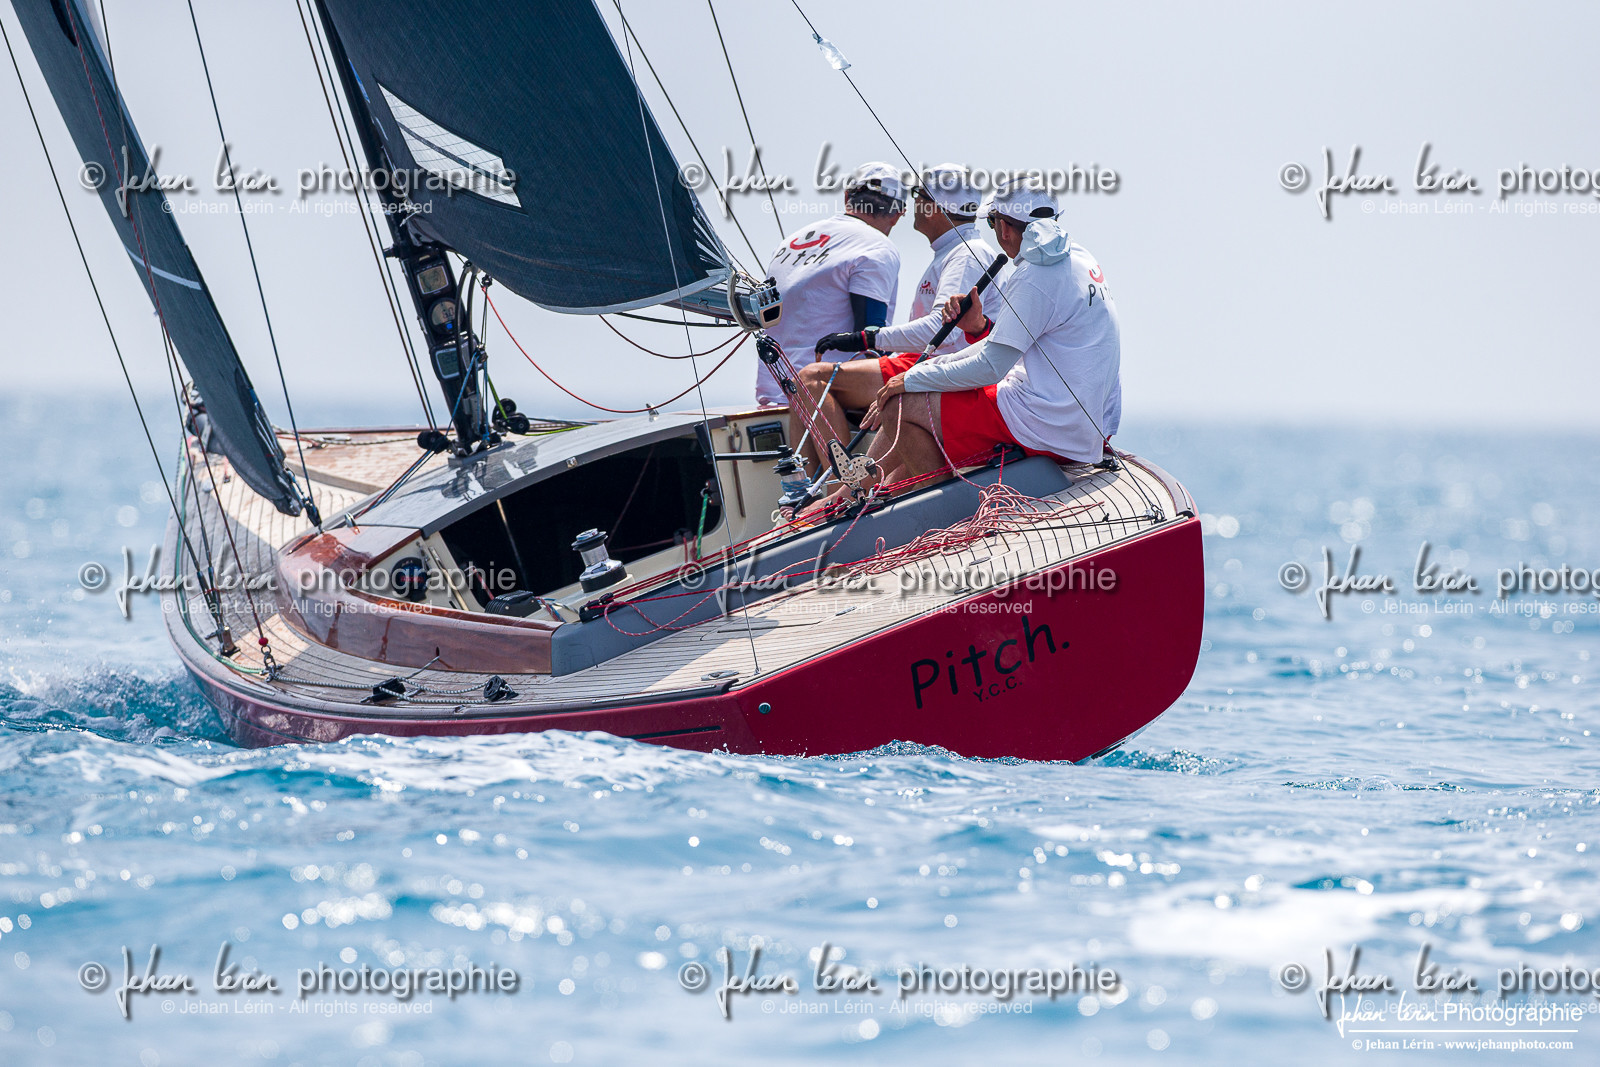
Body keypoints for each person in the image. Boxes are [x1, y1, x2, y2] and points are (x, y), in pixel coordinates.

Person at [818, 176, 1121, 504]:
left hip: (1053, 428)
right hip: (1090, 427)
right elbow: (996, 350)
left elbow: (991, 367)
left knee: (899, 404)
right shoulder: (1080, 257)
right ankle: (857, 488)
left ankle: (938, 510)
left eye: (991, 222)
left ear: (1004, 227)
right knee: (915, 396)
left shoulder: (1033, 275)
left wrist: (907, 381)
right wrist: (915, 376)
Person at [790, 164, 1006, 472]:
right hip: (928, 362)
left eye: (917, 195)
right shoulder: (956, 251)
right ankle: (831, 489)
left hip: (943, 367)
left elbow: (941, 329)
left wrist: (867, 337)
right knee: (805, 385)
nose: (910, 206)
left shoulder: (964, 254)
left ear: (932, 207)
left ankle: (840, 488)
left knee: (812, 379)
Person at [755, 162, 904, 408]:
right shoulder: (877, 247)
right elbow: (871, 339)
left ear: (846, 197)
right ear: (897, 214)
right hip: (824, 402)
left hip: (771, 399)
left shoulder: (788, 242)